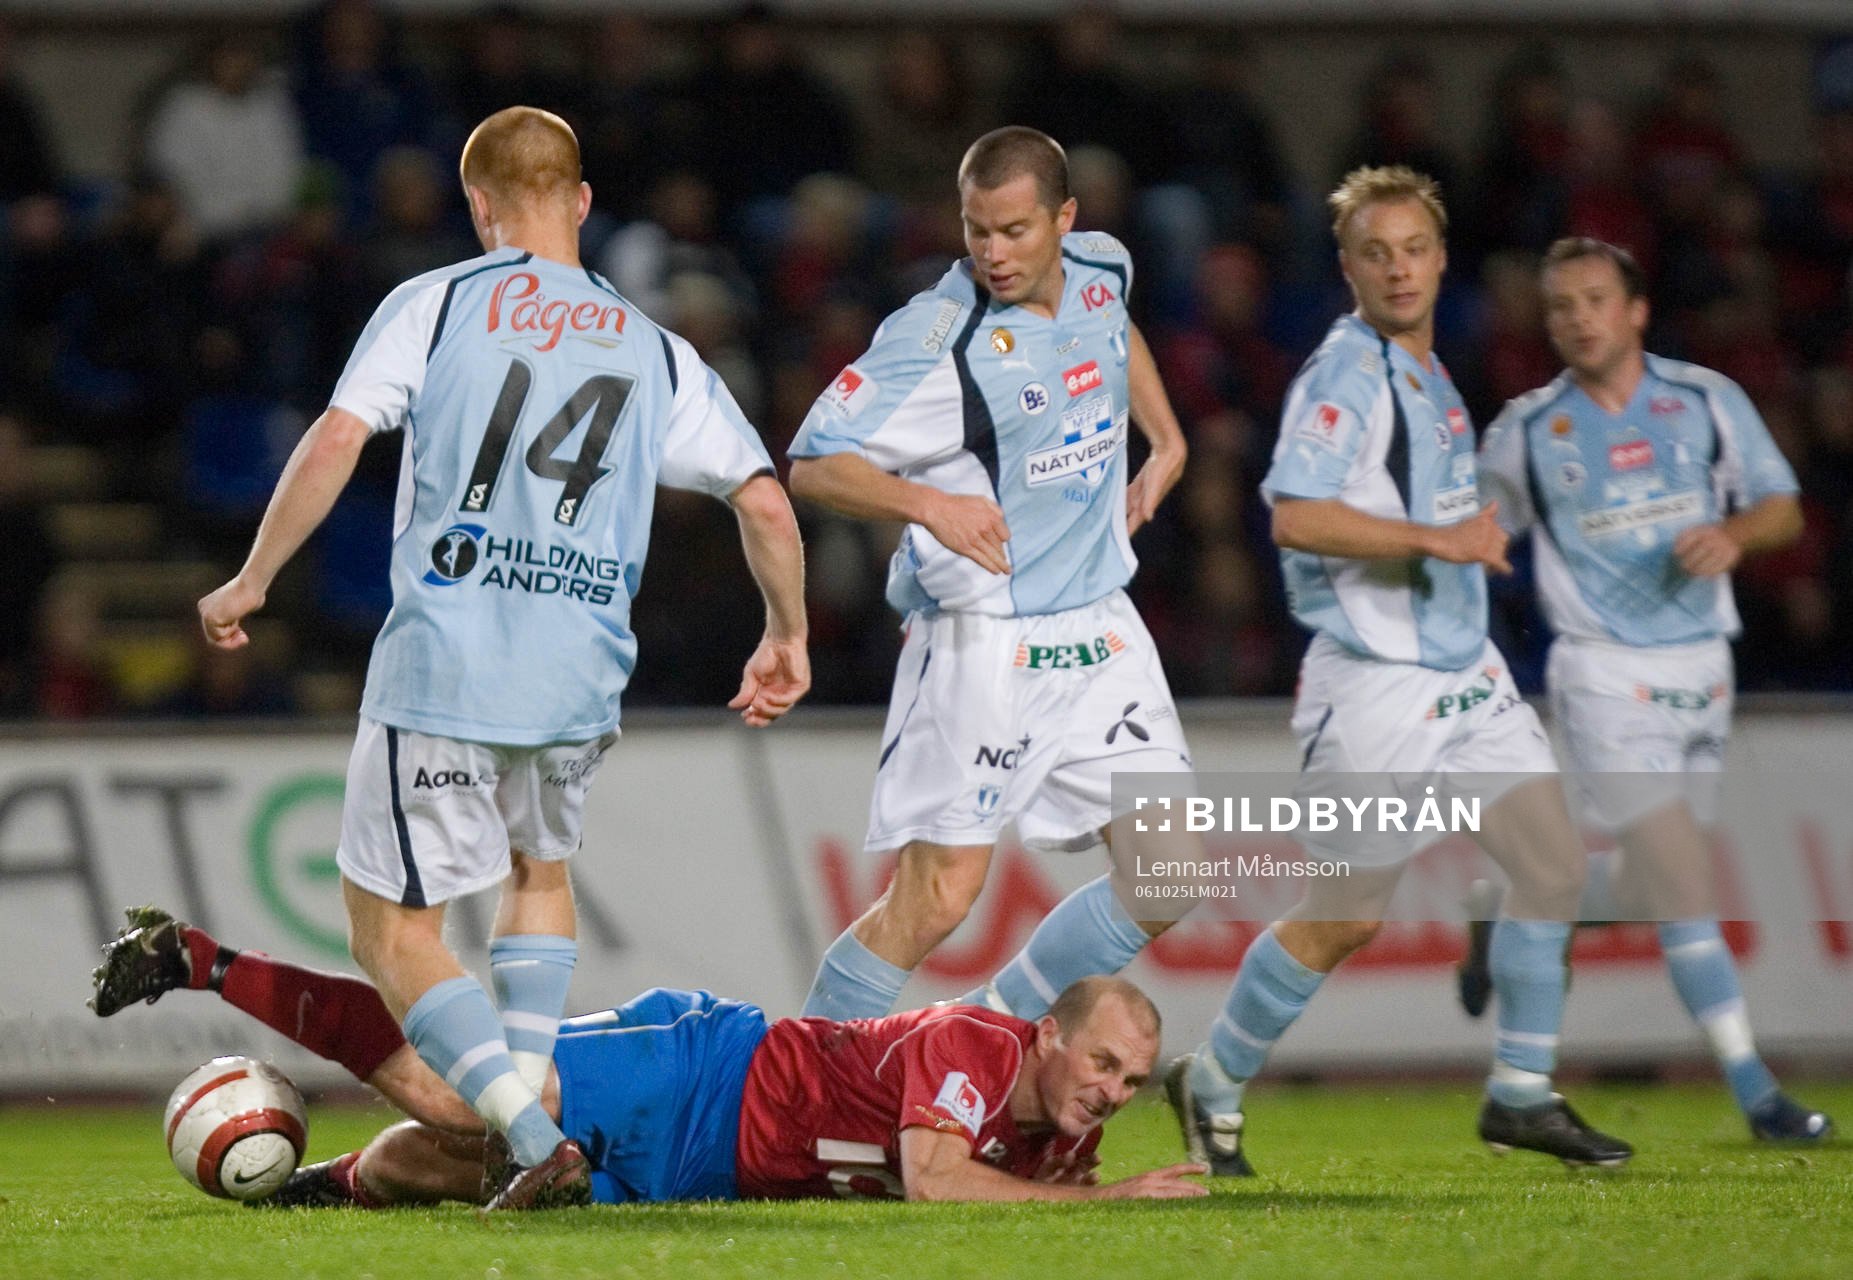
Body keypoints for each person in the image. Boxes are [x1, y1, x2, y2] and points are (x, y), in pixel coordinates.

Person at [194, 107, 811, 1209]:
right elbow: (763, 499)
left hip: (451, 663)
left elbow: (338, 435)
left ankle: (529, 1135)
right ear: (581, 201)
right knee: (538, 870)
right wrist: (786, 633)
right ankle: (526, 1121)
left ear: (479, 205)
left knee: (390, 926)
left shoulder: (435, 304)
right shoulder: (654, 345)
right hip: (580, 672)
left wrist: (252, 577)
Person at [1165, 166, 1632, 1175]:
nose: (1397, 268)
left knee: (1551, 866)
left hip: (1462, 669)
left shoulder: (1425, 368)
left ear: (1440, 257)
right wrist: (1438, 540)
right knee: (1345, 915)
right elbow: (1294, 515)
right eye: (1374, 252)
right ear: (1347, 268)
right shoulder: (1347, 373)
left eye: (1413, 248)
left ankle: (1519, 1091)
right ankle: (1212, 1076)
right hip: (1376, 681)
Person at [786, 127, 1193, 1025]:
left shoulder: (1103, 266)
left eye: (1014, 230)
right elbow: (813, 464)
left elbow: (1113, 333)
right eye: (976, 231)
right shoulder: (935, 335)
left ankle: (989, 1030)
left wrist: (1165, 438)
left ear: (1064, 219)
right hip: (984, 638)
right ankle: (800, 1083)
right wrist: (926, 505)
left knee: (1168, 873)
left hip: (1099, 623)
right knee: (936, 899)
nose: (993, 253)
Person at [89, 907, 1207, 1205]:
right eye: (1100, 1064)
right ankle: (202, 958)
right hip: (698, 1071)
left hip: (701, 1172)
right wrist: (1099, 1207)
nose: (1111, 1092)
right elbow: (936, 1178)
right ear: (1048, 1034)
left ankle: (308, 1191)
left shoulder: (1063, 1127)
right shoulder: (975, 1045)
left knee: (421, 1164)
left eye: (1128, 1081)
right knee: (455, 1094)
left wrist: (1086, 1188)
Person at [1462, 237, 1830, 1143]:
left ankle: (1501, 904)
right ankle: (1756, 1093)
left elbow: (1782, 506)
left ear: (1635, 311)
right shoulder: (1526, 430)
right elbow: (1471, 537)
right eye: (1560, 305)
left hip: (1704, 668)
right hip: (1603, 674)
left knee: (1642, 882)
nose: (1577, 318)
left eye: (1594, 299)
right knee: (1680, 876)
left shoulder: (1704, 400)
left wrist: (1734, 536)